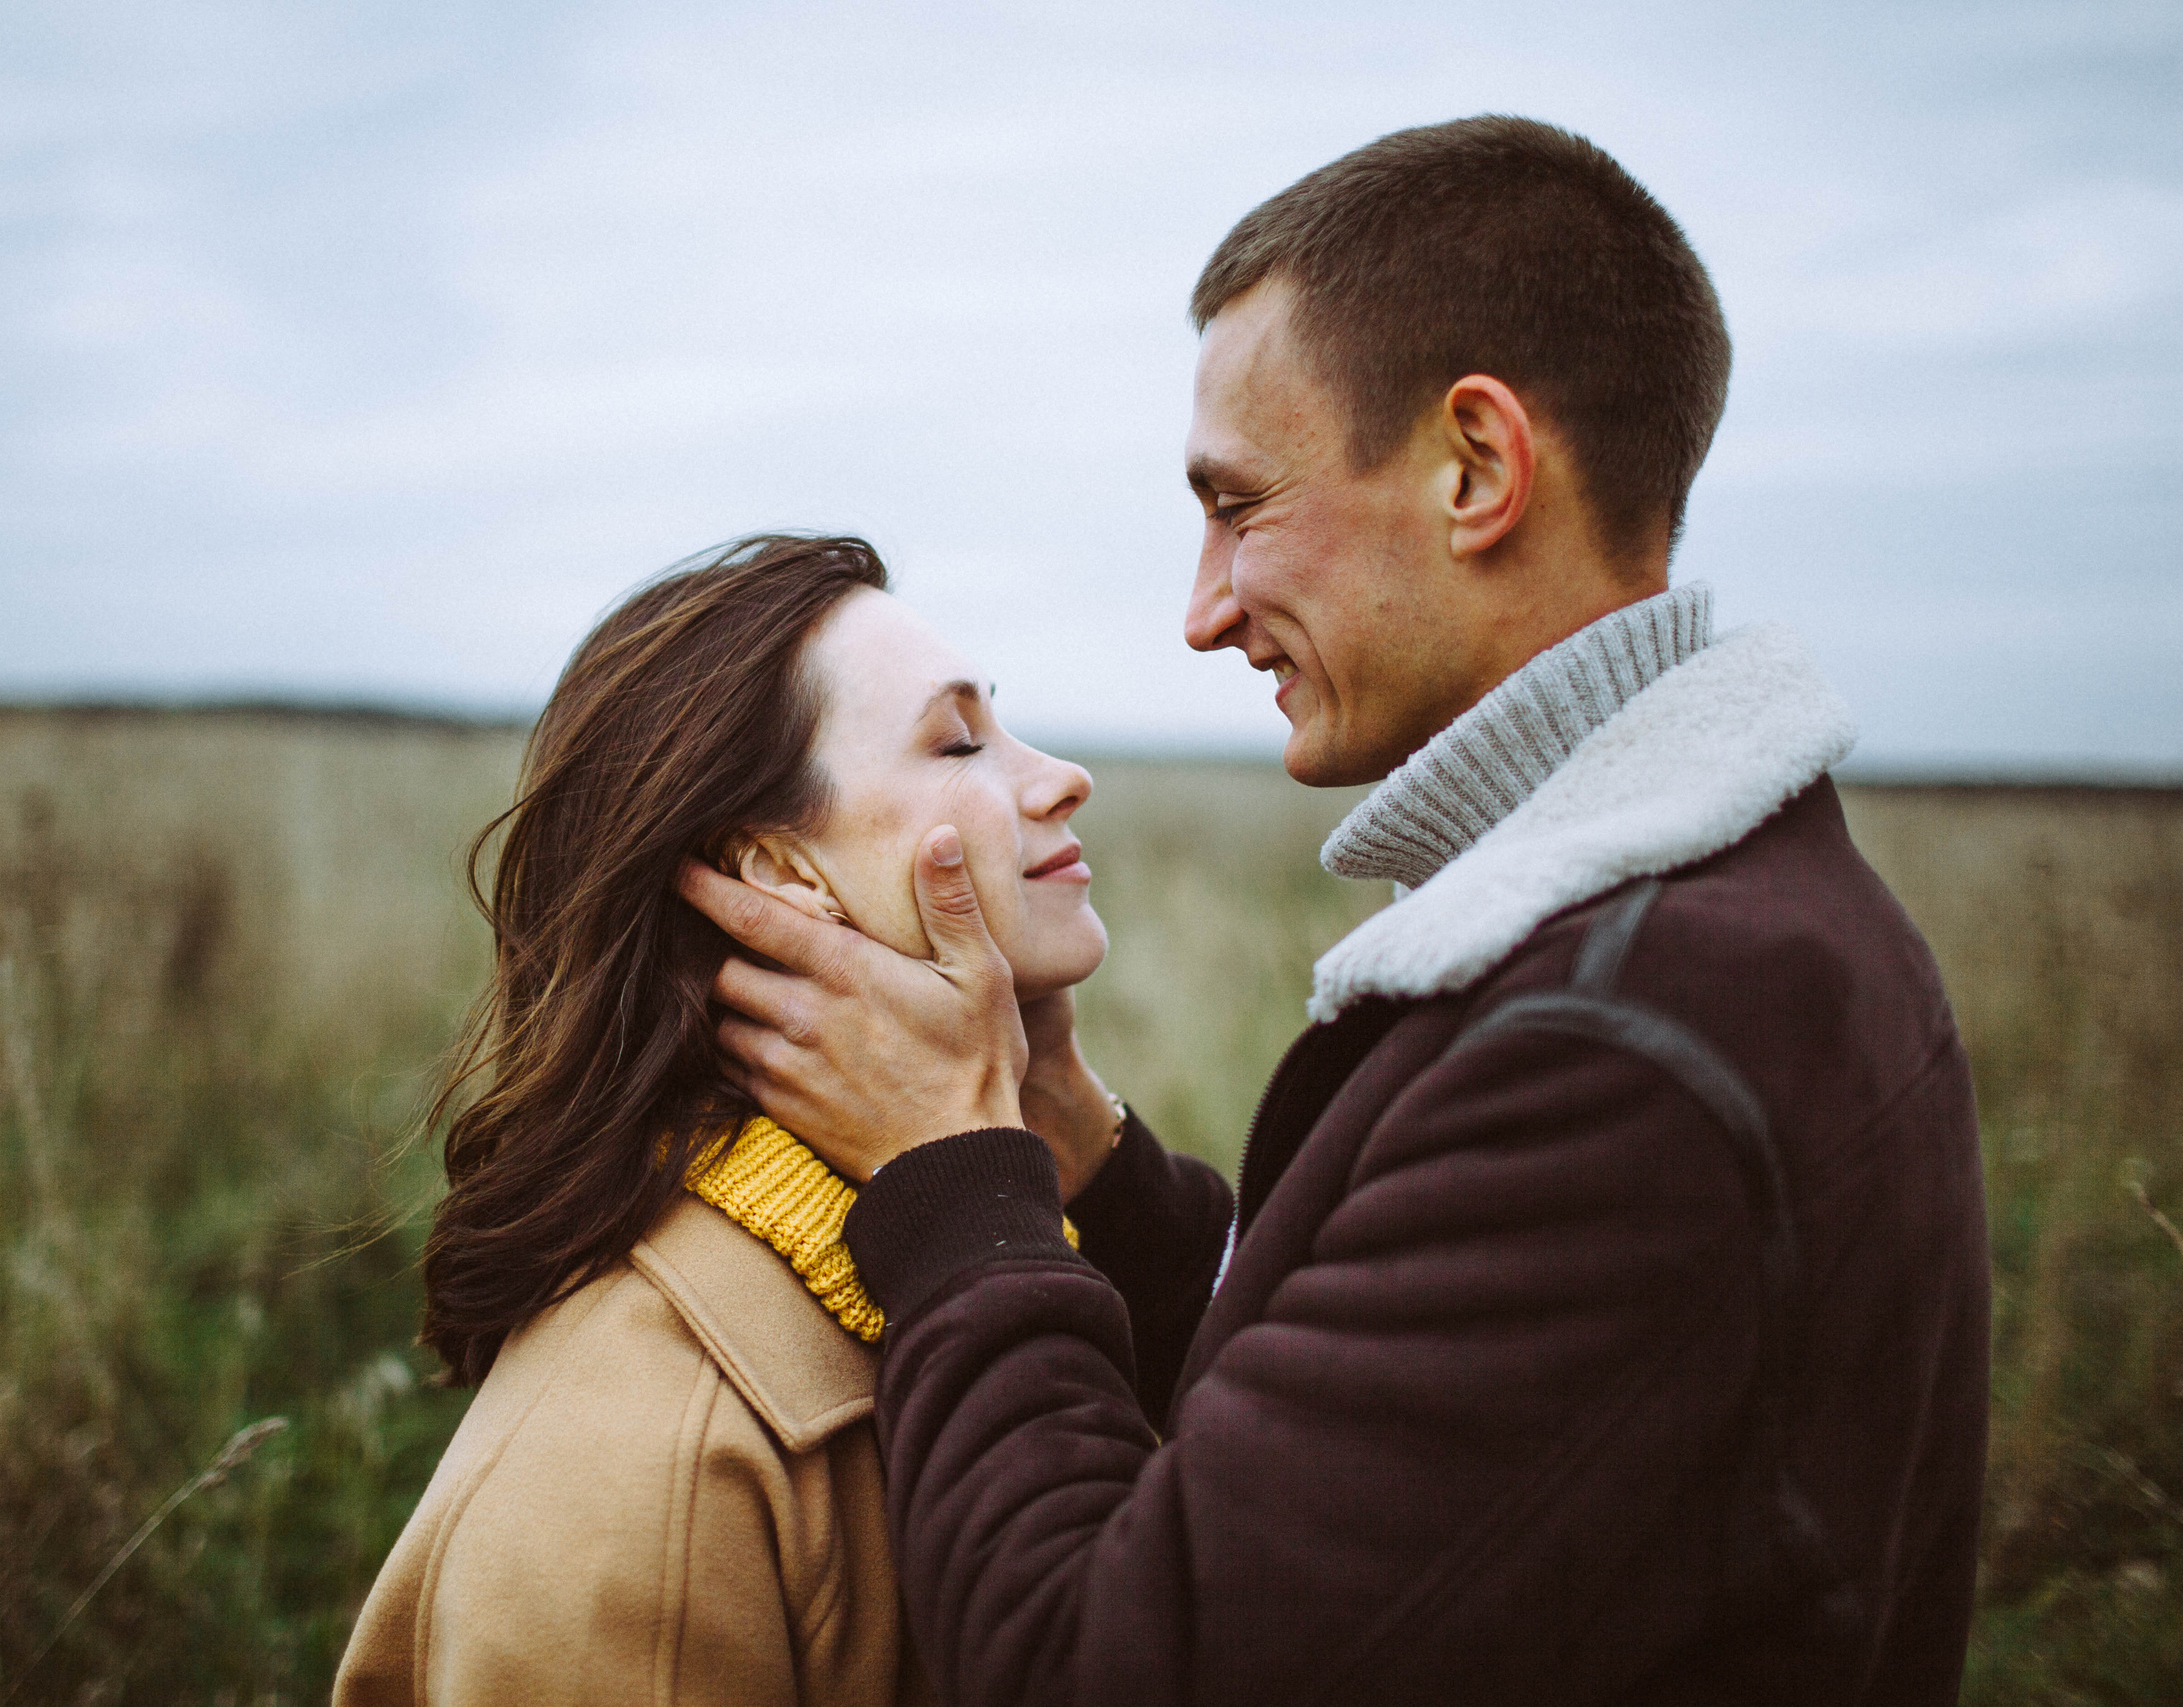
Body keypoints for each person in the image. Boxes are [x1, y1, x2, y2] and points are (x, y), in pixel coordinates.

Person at [680, 117, 1991, 1703]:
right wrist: (1087, 1160)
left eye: (1239, 505)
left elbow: (1098, 1666)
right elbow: (1375, 1461)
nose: (1204, 607)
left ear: (1476, 468)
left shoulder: (1624, 1048)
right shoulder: (1738, 922)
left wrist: (959, 1186)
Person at [334, 533, 1131, 1707]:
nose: (1062, 776)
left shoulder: (1000, 1228)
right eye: (959, 741)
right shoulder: (643, 1470)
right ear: (777, 873)